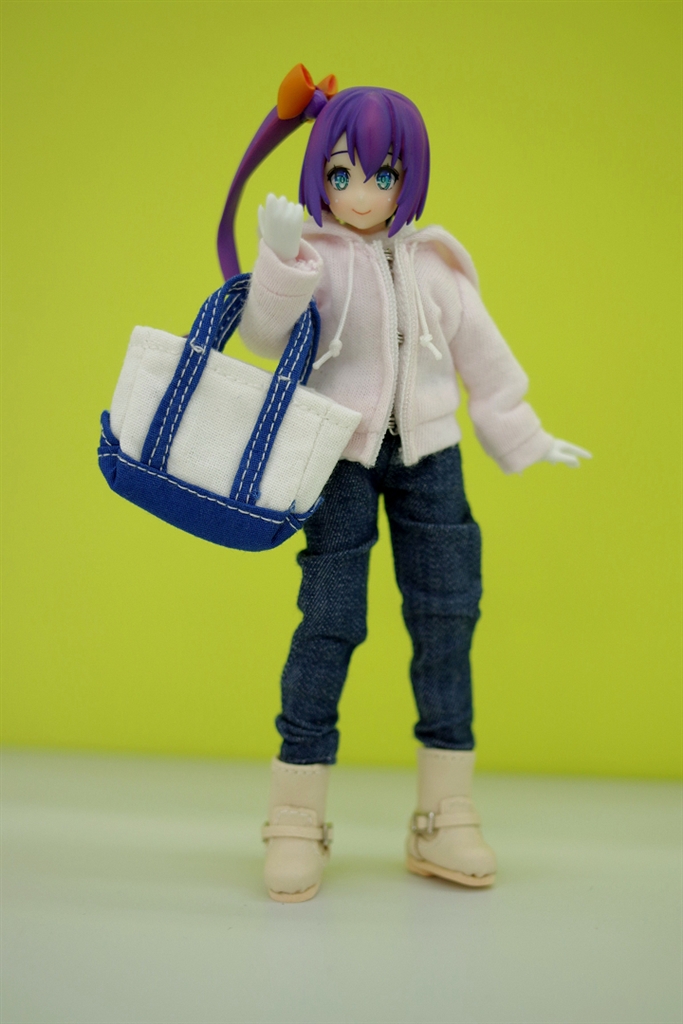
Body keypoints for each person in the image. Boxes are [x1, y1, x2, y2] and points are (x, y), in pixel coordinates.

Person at [217, 65, 591, 903]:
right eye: (341, 172)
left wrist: (525, 435)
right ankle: (294, 814)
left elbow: (485, 361)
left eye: (381, 175)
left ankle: (443, 813)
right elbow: (263, 336)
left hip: (432, 460)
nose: (360, 193)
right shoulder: (314, 259)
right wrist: (278, 258)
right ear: (318, 171)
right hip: (337, 461)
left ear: (407, 179)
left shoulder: (433, 266)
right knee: (329, 622)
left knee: (446, 617)